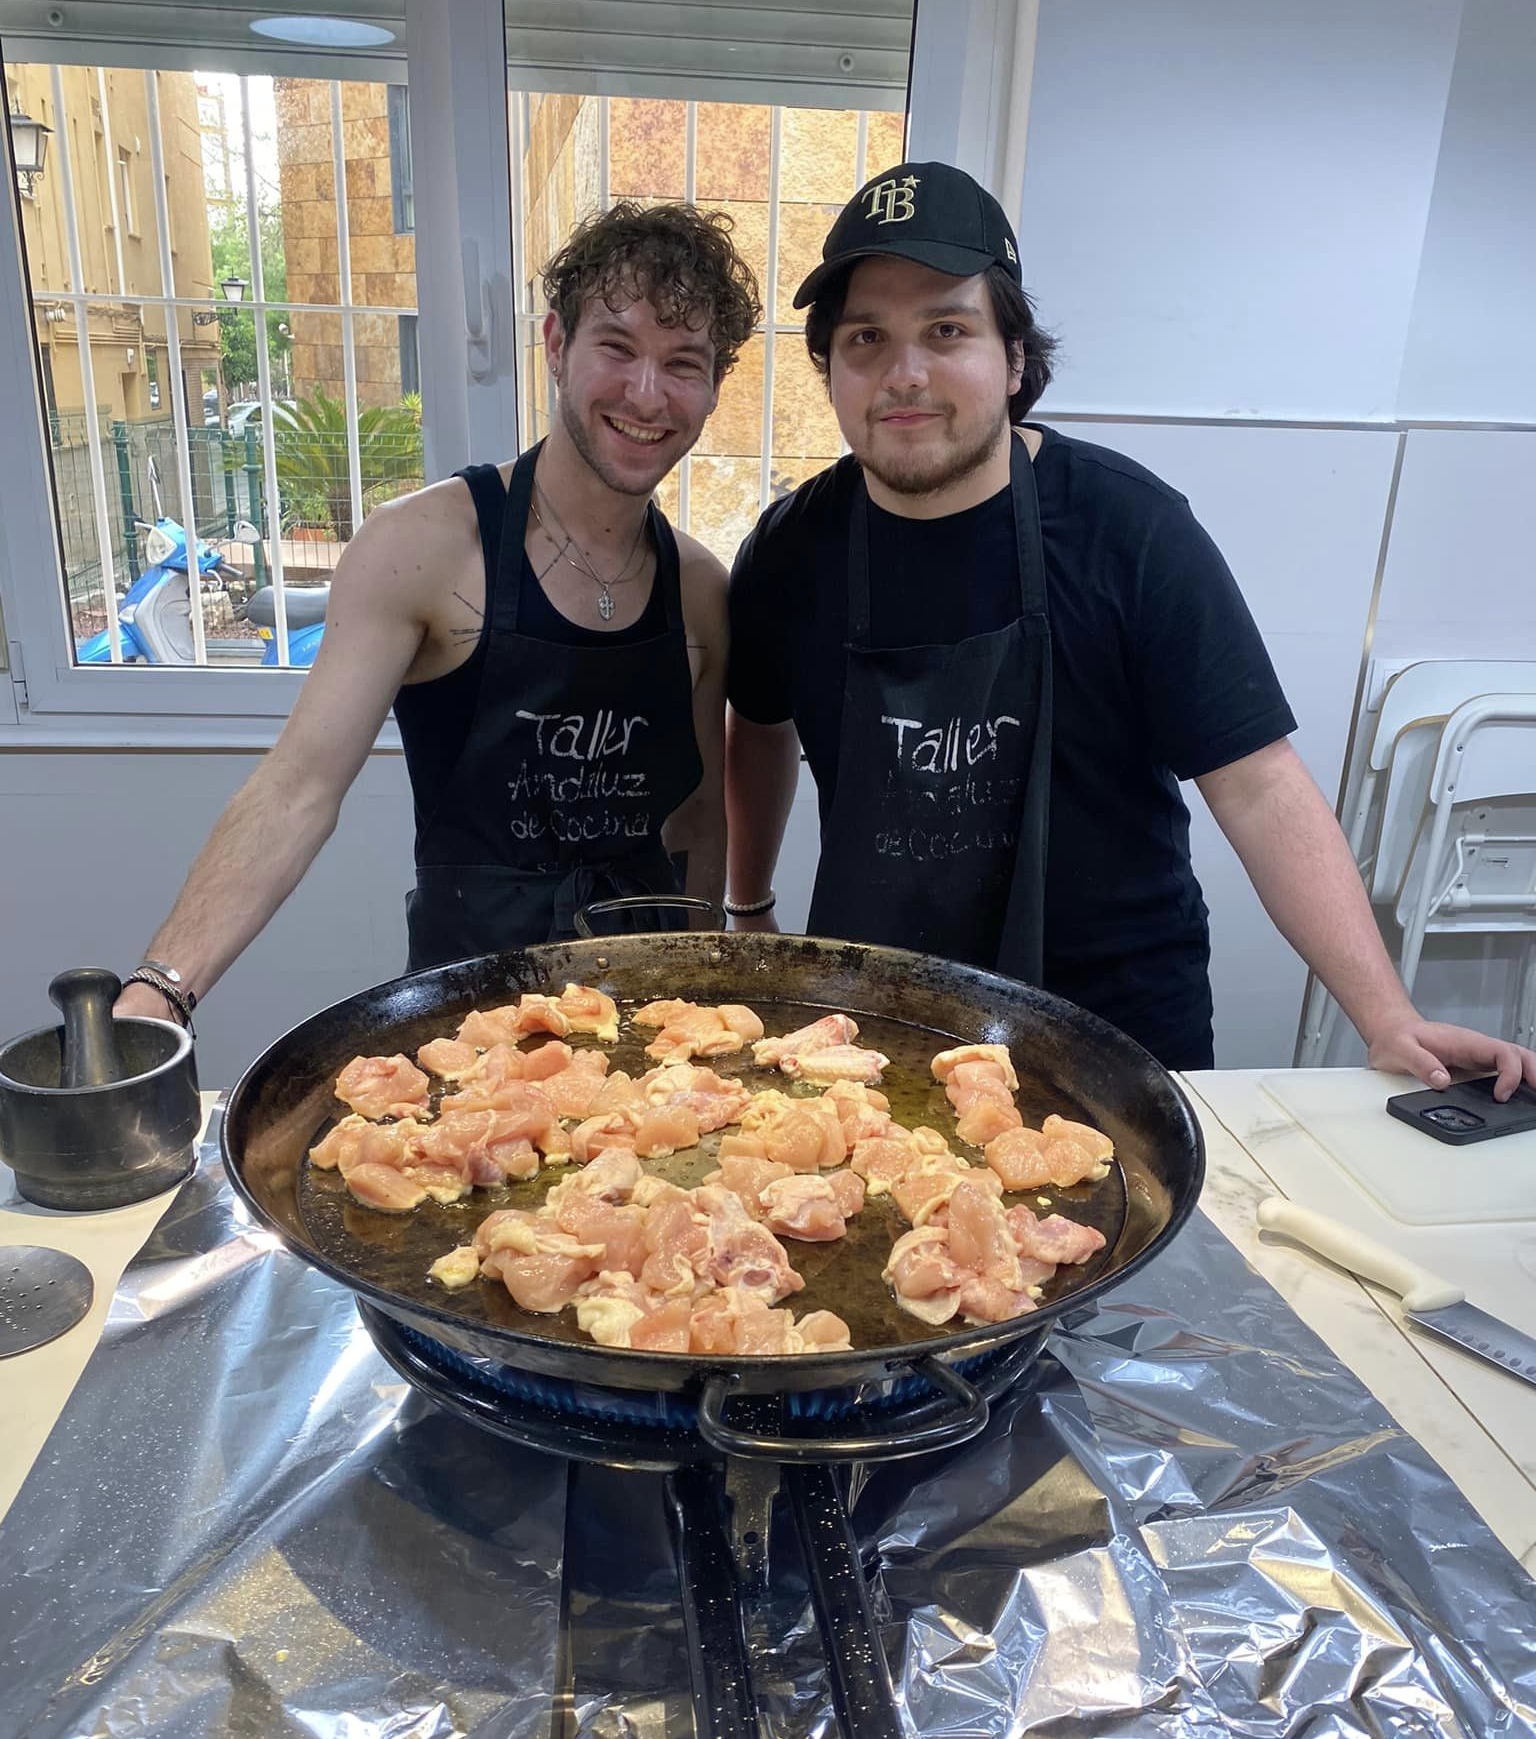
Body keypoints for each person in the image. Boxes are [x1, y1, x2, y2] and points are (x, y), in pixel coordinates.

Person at [724, 161, 1536, 1097]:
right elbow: (760, 723)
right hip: (876, 1031)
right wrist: (748, 911)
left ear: (1015, 357)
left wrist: (1388, 1015)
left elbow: (1260, 785)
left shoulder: (1128, 530)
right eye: (867, 338)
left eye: (947, 330)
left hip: (1111, 1036)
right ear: (830, 366)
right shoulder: (792, 548)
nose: (906, 374)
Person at [116, 202, 760, 1026]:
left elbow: (699, 817)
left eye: (683, 363)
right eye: (617, 346)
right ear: (557, 346)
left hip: (646, 1013)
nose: (646, 392)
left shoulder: (698, 586)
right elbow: (299, 785)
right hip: (470, 1015)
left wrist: (702, 993)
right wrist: (162, 987)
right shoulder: (419, 548)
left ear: (711, 390)